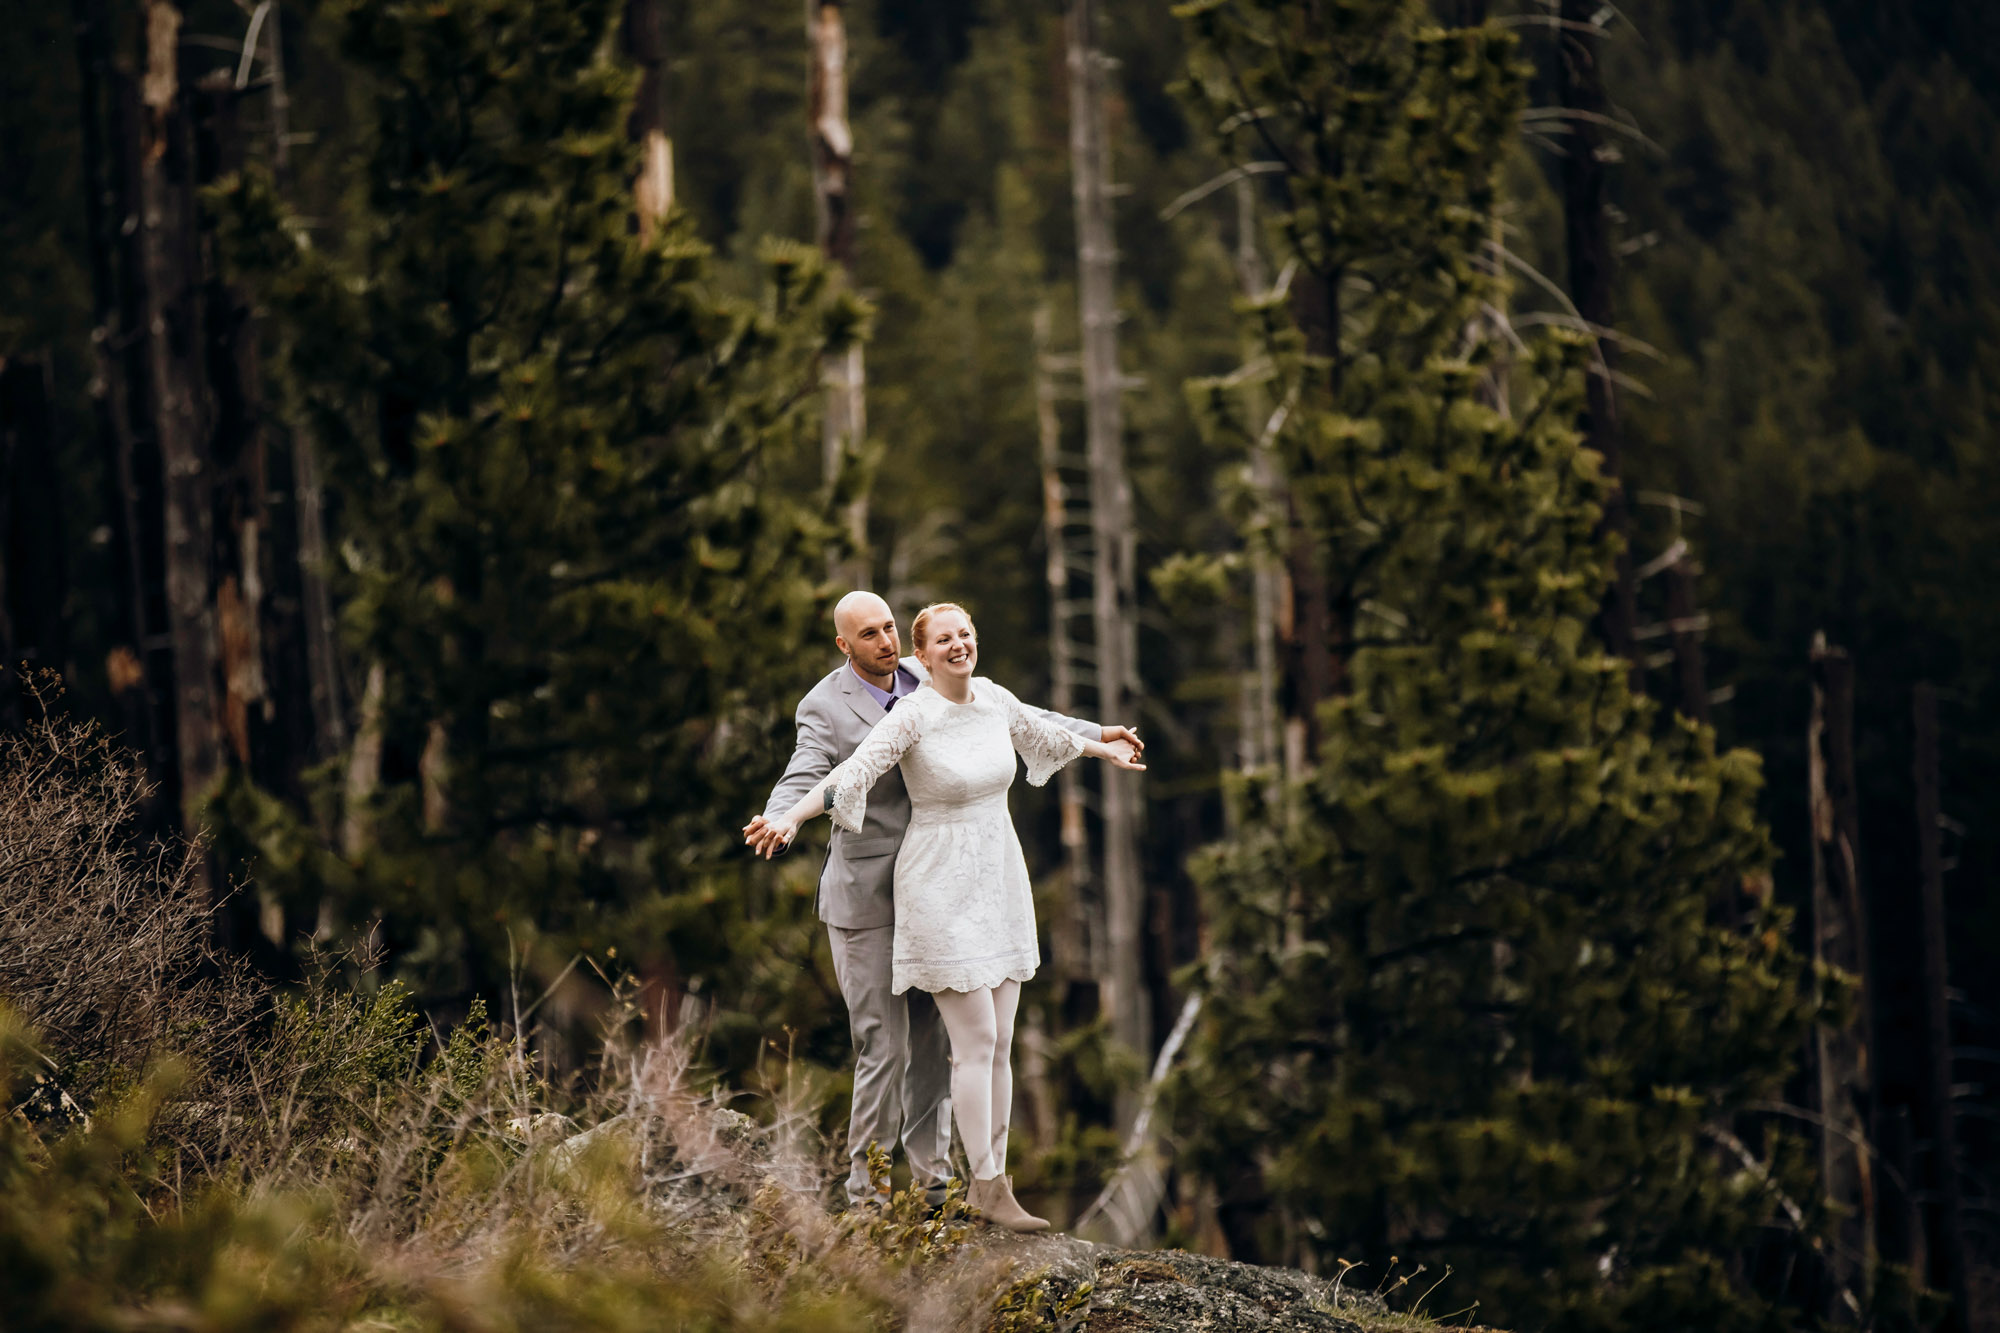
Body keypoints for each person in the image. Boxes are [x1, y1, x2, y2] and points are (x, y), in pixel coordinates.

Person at [747, 601, 1144, 1231]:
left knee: (944, 1044)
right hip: (873, 895)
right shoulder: (825, 706)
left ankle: (935, 1188)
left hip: (971, 882)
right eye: (870, 634)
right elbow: (822, 774)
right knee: (886, 1045)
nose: (885, 641)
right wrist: (782, 817)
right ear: (844, 645)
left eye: (890, 629)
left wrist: (1099, 735)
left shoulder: (927, 672)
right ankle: (870, 1198)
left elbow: (1026, 719)